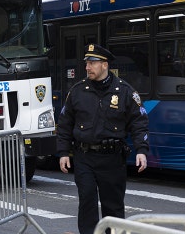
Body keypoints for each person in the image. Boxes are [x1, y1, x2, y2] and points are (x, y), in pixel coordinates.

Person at [57, 44, 149, 234]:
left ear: (105, 65)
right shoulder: (77, 91)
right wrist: (63, 152)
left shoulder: (125, 92)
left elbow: (139, 123)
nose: (87, 67)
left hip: (112, 158)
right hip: (84, 157)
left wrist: (142, 150)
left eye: (92, 63)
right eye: (87, 63)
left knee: (113, 206)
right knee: (87, 200)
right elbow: (65, 123)